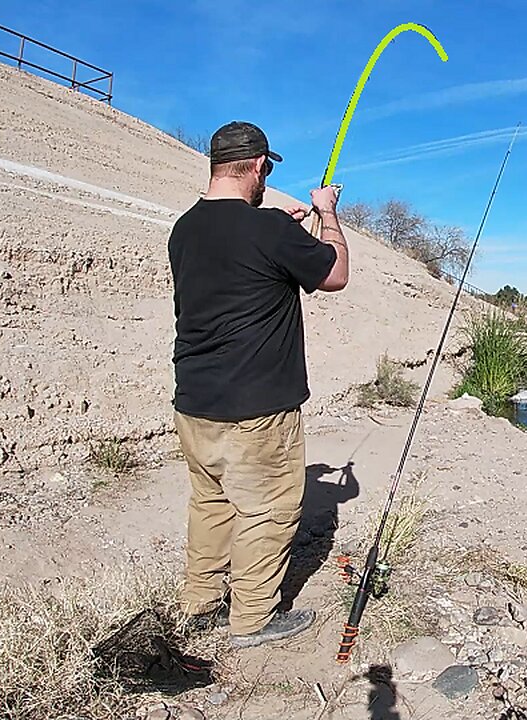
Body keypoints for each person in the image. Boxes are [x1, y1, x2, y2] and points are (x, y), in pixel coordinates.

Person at [166, 121, 349, 648]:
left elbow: (241, 262)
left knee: (211, 505)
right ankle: (253, 621)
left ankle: (198, 606)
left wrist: (282, 225)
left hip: (195, 404)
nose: (267, 178)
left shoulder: (184, 229)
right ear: (258, 166)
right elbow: (334, 273)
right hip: (258, 408)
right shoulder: (269, 228)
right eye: (267, 170)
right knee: (267, 512)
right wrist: (327, 213)